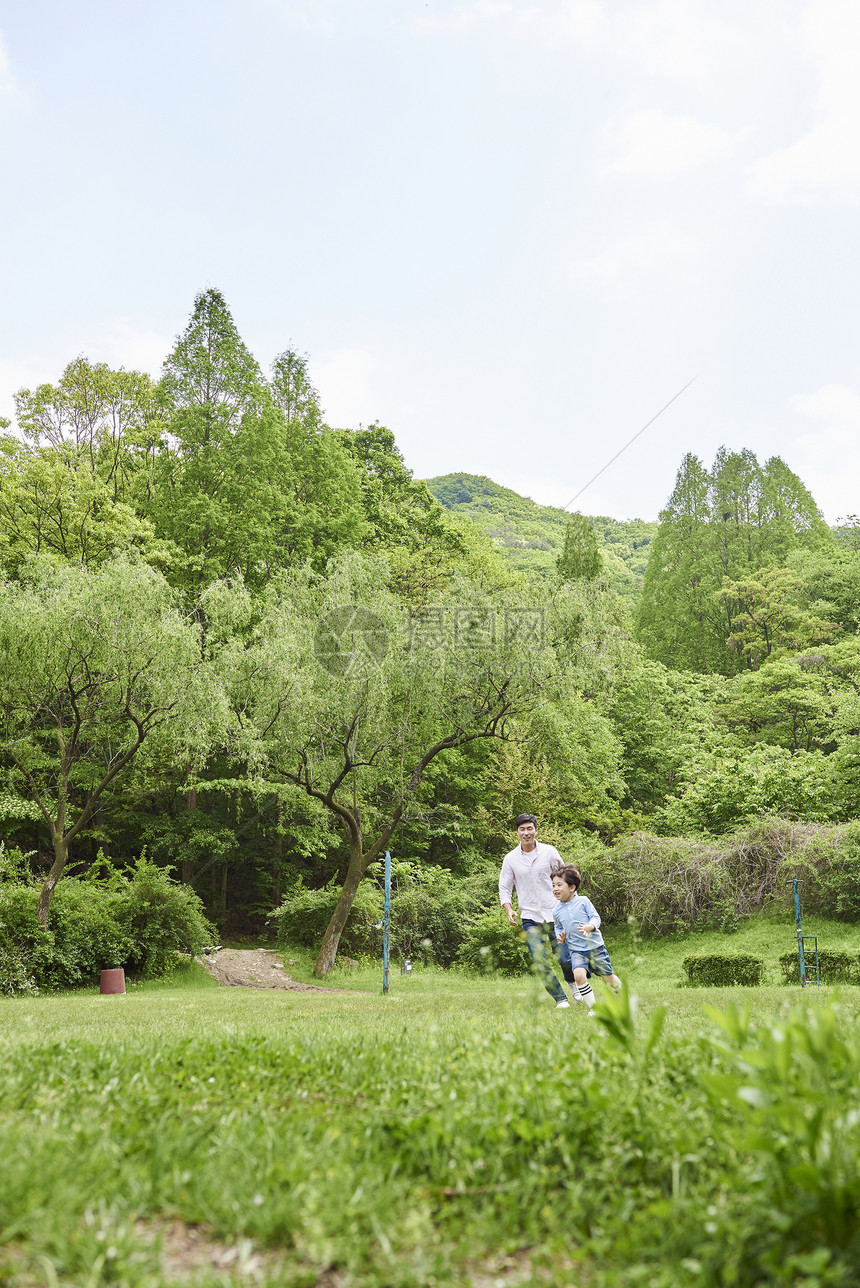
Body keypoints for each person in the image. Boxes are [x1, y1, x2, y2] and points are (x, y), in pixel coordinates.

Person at [498, 814, 581, 1008]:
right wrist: (508, 909)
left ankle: (572, 982)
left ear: (536, 830)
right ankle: (560, 998)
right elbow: (505, 886)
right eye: (522, 829)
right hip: (529, 917)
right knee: (539, 959)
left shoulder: (549, 852)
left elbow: (565, 877)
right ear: (517, 832)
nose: (526, 833)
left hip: (555, 912)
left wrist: (572, 904)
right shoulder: (510, 859)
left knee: (564, 957)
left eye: (529, 828)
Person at [551, 864, 621, 1014]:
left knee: (608, 979)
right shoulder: (556, 911)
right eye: (553, 885)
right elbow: (558, 927)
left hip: (595, 947)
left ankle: (622, 994)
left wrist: (590, 926)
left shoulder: (583, 901)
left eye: (559, 885)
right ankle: (594, 1008)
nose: (555, 888)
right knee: (578, 976)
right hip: (576, 950)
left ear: (572, 887)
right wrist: (560, 937)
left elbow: (596, 917)